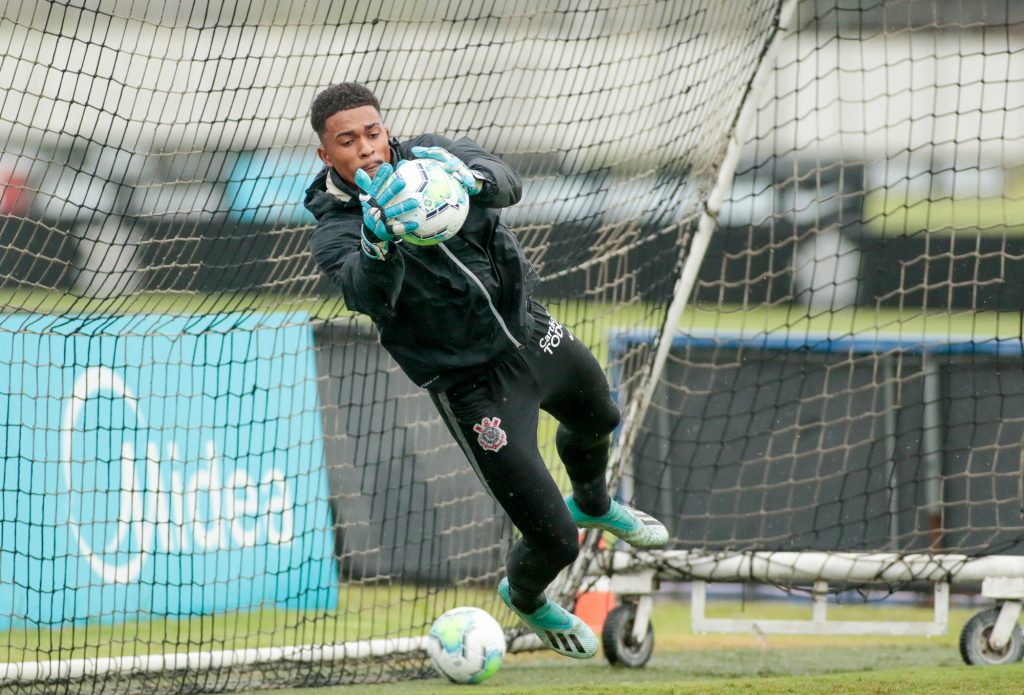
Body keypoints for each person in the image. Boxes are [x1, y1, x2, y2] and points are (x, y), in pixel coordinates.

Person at [303, 82, 668, 659]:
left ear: (386, 130)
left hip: (530, 331)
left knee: (600, 414)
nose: (367, 148)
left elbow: (507, 182)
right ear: (327, 156)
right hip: (472, 387)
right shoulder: (335, 227)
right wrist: (379, 243)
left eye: (373, 133)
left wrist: (471, 181)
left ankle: (596, 502)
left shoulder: (432, 159)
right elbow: (364, 293)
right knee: (555, 542)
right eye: (348, 142)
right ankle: (525, 596)